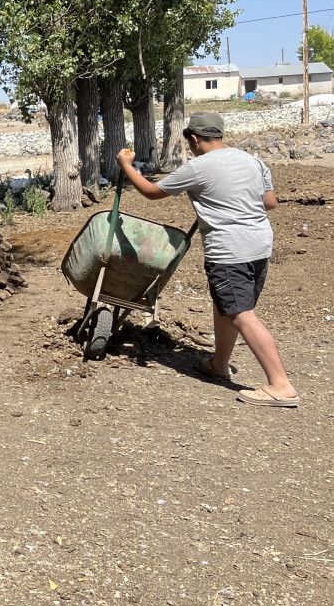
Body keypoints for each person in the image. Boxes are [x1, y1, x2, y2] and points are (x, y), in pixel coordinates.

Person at [116, 112, 299, 407]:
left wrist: (127, 166)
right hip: (260, 246)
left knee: (241, 314)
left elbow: (151, 192)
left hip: (229, 251)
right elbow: (269, 202)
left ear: (194, 138)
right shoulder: (252, 161)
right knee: (226, 305)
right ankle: (219, 365)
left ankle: (280, 385)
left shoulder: (198, 167)